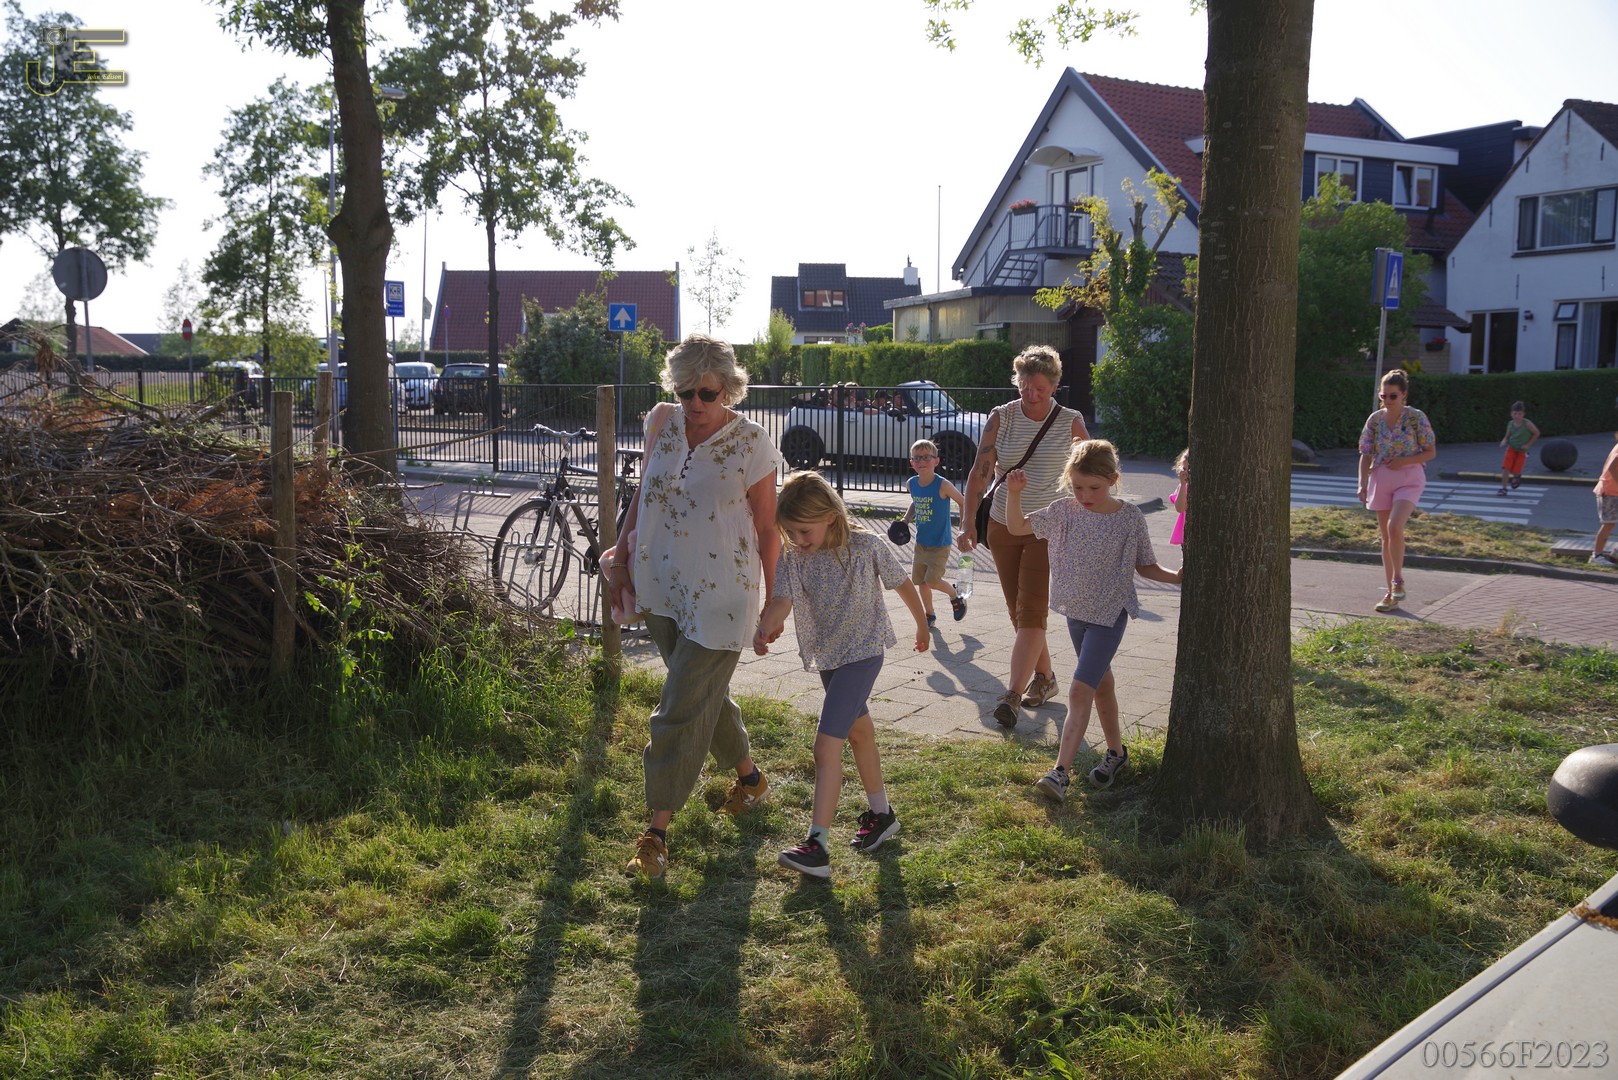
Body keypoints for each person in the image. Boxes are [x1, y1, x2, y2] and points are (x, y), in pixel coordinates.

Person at [602, 334, 783, 879]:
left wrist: (776, 600)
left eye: (707, 392)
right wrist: (620, 555)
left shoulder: (752, 442)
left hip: (723, 594)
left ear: (728, 388)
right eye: (686, 392)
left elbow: (768, 528)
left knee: (677, 709)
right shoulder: (662, 422)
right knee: (703, 693)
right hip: (661, 586)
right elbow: (643, 495)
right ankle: (751, 781)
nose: (695, 403)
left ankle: (655, 835)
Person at [753, 472, 929, 878]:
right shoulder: (794, 556)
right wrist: (766, 626)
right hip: (829, 657)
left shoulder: (867, 546)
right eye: (790, 532)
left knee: (825, 747)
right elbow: (782, 600)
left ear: (830, 516)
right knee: (859, 734)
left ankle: (817, 845)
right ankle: (882, 815)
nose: (797, 539)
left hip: (862, 655)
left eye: (804, 530)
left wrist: (922, 625)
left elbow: (902, 584)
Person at [1003, 441, 1182, 799]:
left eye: (1094, 488)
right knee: (1101, 684)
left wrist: (1177, 578)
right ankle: (1116, 754)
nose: (1085, 496)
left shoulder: (1130, 517)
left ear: (1113, 480)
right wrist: (1014, 493)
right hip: (1075, 613)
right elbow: (1017, 526)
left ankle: (1060, 773)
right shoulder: (1063, 510)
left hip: (1108, 616)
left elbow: (1145, 565)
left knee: (1079, 689)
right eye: (1078, 487)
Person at [958, 344, 1089, 728]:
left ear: (1055, 386)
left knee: (1031, 608)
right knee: (1018, 609)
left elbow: (1091, 470)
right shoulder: (1002, 417)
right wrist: (968, 521)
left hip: (1047, 528)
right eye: (1024, 386)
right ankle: (1045, 678)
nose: (1031, 395)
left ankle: (1012, 695)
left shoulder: (1070, 422)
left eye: (1040, 389)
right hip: (1003, 522)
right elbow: (980, 471)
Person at [1356, 368, 1437, 614]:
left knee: (1394, 527)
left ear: (1403, 395)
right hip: (1381, 478)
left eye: (1393, 395)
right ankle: (1391, 594)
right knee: (1386, 536)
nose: (1388, 400)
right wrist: (1362, 483)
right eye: (1384, 396)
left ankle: (1398, 580)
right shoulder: (1375, 420)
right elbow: (1365, 454)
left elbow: (1431, 452)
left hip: (1409, 478)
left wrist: (1404, 461)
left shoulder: (1416, 418)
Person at [901, 438, 968, 624]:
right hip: (921, 542)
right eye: (917, 458)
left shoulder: (942, 485)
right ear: (911, 462)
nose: (921, 461)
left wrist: (963, 528)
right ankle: (929, 614)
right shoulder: (912, 483)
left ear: (936, 461)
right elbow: (916, 502)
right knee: (921, 582)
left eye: (926, 457)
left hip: (940, 543)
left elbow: (963, 502)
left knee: (932, 581)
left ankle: (956, 596)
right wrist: (906, 519)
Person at [1496, 401, 1540, 496]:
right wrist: (1504, 441)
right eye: (1515, 413)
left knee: (1516, 471)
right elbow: (1507, 436)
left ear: (1523, 414)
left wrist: (1527, 445)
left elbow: (1536, 433)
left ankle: (1517, 476)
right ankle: (1504, 489)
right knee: (1506, 468)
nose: (1517, 416)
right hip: (1511, 448)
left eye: (1519, 414)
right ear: (1511, 414)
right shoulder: (1510, 424)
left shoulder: (1527, 424)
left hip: (1521, 450)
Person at [1591, 430, 1618, 566]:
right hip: (1609, 491)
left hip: (1612, 491)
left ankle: (1615, 554)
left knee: (1609, 523)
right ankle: (1596, 556)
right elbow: (1612, 468)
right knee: (1608, 524)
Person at [1169, 447, 1189, 547]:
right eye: (1184, 469)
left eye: (1190, 470)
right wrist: (1183, 485)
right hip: (1186, 533)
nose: (1186, 473)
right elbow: (1180, 508)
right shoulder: (1183, 486)